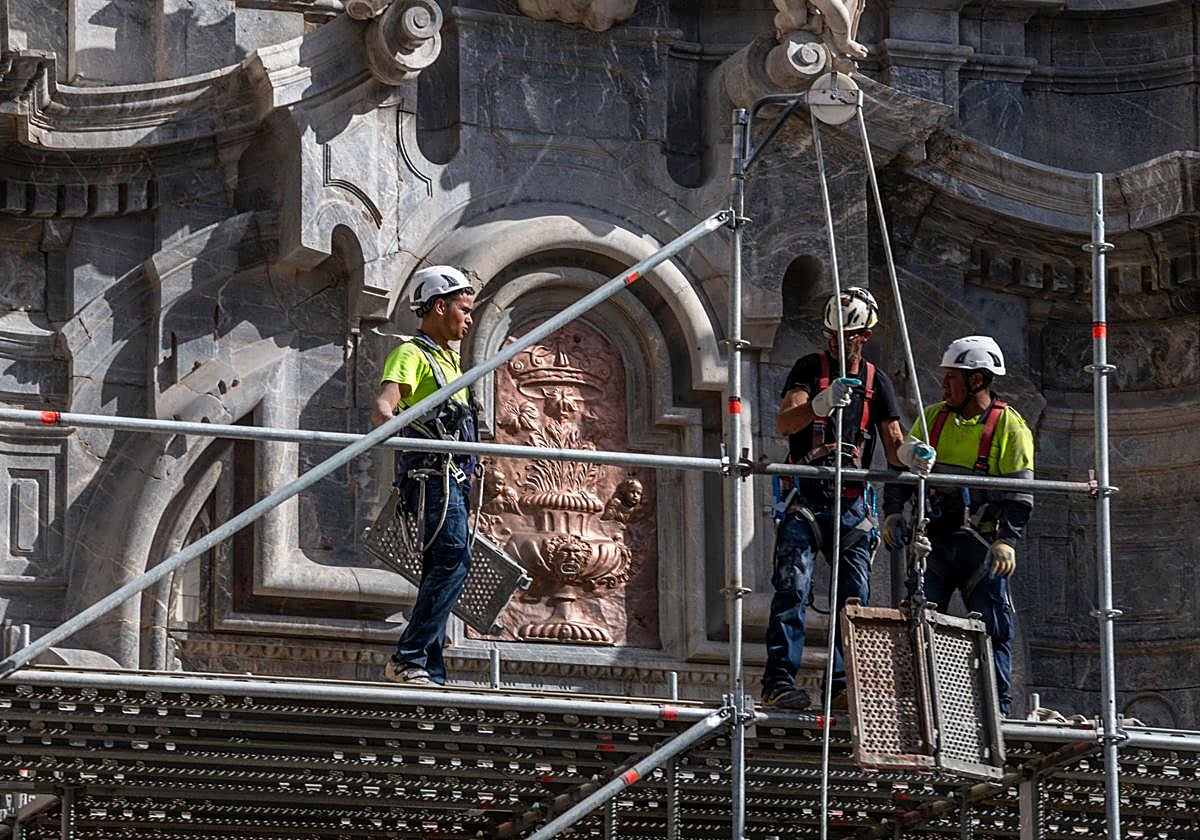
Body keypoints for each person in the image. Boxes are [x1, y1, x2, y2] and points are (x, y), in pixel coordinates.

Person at [762, 287, 905, 710]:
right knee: (793, 587)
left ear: (866, 334)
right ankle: (779, 682)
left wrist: (914, 454)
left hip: (853, 505)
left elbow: (893, 444)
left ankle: (843, 685)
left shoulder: (878, 382)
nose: (839, 343)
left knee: (853, 600)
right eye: (833, 335)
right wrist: (820, 403)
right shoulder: (810, 368)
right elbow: (787, 422)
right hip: (806, 499)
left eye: (849, 336)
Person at [882, 335, 1034, 715]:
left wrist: (1007, 541)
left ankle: (996, 709)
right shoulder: (933, 418)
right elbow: (901, 466)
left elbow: (1020, 494)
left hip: (979, 547)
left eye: (952, 377)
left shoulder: (1009, 427)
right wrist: (894, 509)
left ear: (977, 381)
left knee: (993, 627)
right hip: (932, 540)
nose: (943, 384)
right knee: (916, 620)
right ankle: (916, 704)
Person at [372, 265, 477, 686]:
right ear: (440, 306)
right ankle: (409, 657)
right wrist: (397, 426)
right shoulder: (411, 354)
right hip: (431, 476)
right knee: (452, 559)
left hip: (455, 480)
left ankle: (427, 667)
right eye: (463, 309)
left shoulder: (450, 363)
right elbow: (384, 406)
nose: (468, 319)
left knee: (443, 565)